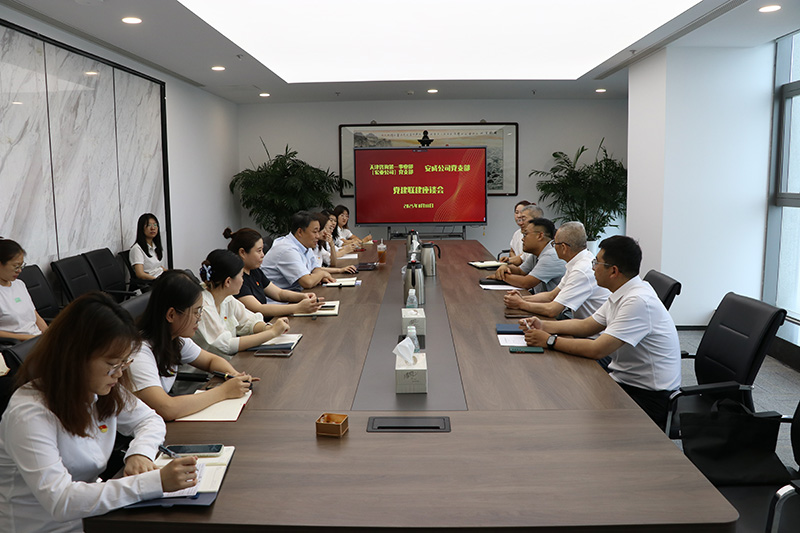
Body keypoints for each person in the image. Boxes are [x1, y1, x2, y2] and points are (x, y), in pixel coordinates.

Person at [0, 292, 198, 532]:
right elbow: (61, 500)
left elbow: (150, 419)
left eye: (124, 363)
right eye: (112, 364)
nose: (119, 374)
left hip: (95, 517)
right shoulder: (29, 414)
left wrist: (140, 454)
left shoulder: (102, 387)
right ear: (75, 356)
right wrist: (152, 482)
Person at [522, 235, 681, 429]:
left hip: (649, 397)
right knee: (564, 390)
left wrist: (549, 341)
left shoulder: (638, 301)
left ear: (613, 271)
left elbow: (597, 349)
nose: (593, 268)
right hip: (623, 380)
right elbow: (587, 325)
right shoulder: (623, 292)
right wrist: (544, 326)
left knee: (570, 409)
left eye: (597, 263)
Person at [128, 270, 257, 421]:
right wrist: (224, 391)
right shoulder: (138, 352)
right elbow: (166, 408)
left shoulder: (175, 338)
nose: (199, 318)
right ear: (171, 315)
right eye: (196, 312)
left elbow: (211, 361)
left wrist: (233, 375)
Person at [504, 221, 610, 319]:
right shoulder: (578, 261)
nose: (553, 247)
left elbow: (552, 310)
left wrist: (520, 303)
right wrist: (521, 298)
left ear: (563, 247)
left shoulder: (581, 270)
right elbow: (551, 296)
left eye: (554, 244)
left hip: (591, 331)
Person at [195, 249, 290, 356]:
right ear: (228, 281)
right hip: (213, 365)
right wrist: (272, 333)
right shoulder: (202, 306)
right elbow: (227, 345)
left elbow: (248, 321)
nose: (243, 280)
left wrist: (269, 328)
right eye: (241, 276)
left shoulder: (226, 298)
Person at [224, 227, 324, 317]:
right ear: (242, 252)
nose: (263, 255)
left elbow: (279, 294)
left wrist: (302, 297)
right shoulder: (236, 278)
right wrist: (297, 307)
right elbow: (258, 309)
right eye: (259, 251)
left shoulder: (254, 271)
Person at [261, 211, 337, 291]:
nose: (318, 236)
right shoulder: (287, 249)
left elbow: (315, 268)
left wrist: (318, 276)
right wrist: (322, 274)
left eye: (318, 232)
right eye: (315, 232)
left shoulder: (305, 244)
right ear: (300, 232)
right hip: (279, 298)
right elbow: (307, 282)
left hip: (296, 293)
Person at [489, 217, 565, 293]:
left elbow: (526, 283)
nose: (522, 239)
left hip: (552, 300)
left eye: (525, 234)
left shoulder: (551, 256)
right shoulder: (537, 254)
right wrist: (505, 267)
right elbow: (520, 271)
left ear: (540, 236)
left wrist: (502, 276)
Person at [0, 238, 47, 341]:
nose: (19, 271)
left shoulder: (19, 284)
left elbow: (35, 316)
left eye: (21, 266)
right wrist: (28, 338)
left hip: (37, 339)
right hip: (17, 345)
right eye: (16, 266)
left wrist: (49, 334)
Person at [500, 201, 538, 267]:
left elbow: (524, 257)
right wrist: (512, 261)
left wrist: (512, 261)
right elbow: (512, 251)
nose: (519, 216)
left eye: (522, 212)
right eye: (517, 212)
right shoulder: (517, 233)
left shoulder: (534, 233)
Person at [130, 213, 165, 281]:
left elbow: (159, 267)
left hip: (161, 277)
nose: (153, 228)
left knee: (184, 274)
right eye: (149, 225)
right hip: (153, 282)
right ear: (141, 228)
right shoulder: (137, 249)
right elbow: (140, 274)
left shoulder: (154, 246)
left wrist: (173, 273)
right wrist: (158, 281)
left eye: (155, 225)